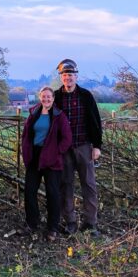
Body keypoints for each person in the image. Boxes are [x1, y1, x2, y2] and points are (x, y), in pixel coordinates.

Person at [54, 58, 104, 236]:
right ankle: (71, 222)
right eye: (65, 75)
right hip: (64, 149)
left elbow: (95, 121)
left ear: (76, 76)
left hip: (83, 145)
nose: (68, 78)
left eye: (71, 75)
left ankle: (90, 223)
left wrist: (97, 146)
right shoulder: (55, 97)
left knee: (89, 185)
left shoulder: (86, 95)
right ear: (61, 77)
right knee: (65, 185)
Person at [21, 86, 71, 240]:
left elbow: (67, 139)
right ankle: (32, 223)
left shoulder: (59, 115)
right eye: (44, 96)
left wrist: (56, 152)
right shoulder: (34, 113)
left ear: (53, 98)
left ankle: (52, 228)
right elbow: (26, 135)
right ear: (40, 97)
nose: (46, 99)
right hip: (34, 157)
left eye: (49, 97)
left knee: (53, 194)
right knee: (29, 191)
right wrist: (27, 152)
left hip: (52, 159)